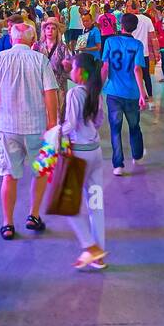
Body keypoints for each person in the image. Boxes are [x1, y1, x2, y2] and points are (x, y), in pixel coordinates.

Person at [0, 20, 60, 239]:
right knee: (41, 171)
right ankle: (33, 216)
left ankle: (7, 223)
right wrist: (53, 124)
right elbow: (50, 93)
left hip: (7, 127)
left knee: (9, 175)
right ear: (33, 40)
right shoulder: (40, 60)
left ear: (11, 38)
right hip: (38, 127)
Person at [62, 51, 108, 270]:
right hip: (96, 152)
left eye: (72, 67)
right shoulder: (96, 93)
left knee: (67, 203)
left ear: (79, 72)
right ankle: (98, 256)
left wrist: (54, 133)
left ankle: (91, 247)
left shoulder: (74, 94)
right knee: (96, 205)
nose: (70, 71)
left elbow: (70, 126)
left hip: (78, 154)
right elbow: (99, 120)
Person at [102, 13, 148, 176]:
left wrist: (99, 89)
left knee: (115, 128)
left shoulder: (110, 42)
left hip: (113, 92)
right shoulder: (137, 45)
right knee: (134, 126)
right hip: (132, 93)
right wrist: (143, 93)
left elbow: (105, 68)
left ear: (120, 25)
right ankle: (137, 155)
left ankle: (118, 165)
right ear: (135, 28)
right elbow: (137, 69)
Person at [35, 18, 72, 111]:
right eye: (48, 28)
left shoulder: (62, 48)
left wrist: (67, 66)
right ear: (44, 30)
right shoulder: (38, 46)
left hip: (59, 86)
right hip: (42, 85)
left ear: (57, 31)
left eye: (53, 28)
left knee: (59, 112)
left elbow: (69, 68)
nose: (50, 31)